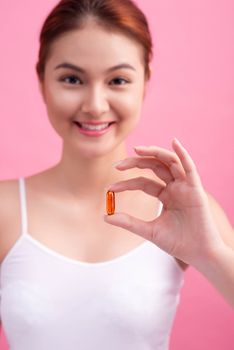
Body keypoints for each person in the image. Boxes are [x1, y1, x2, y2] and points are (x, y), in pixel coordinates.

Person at [0, 0, 233, 349]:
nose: (95, 104)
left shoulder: (184, 211)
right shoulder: (4, 210)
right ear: (42, 81)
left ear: (145, 83)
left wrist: (211, 254)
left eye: (118, 80)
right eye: (72, 78)